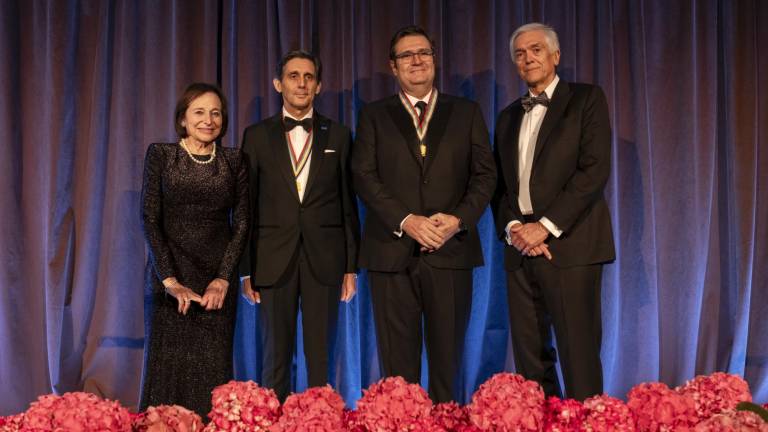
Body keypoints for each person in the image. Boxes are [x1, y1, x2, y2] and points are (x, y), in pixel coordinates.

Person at [351, 26, 496, 403]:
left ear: (434, 59)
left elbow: (486, 175)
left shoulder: (466, 112)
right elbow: (363, 175)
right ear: (393, 67)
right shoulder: (374, 115)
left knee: (448, 362)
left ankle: (447, 421)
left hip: (451, 253)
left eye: (424, 53)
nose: (416, 60)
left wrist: (458, 220)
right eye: (406, 55)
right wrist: (406, 221)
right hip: (392, 253)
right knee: (398, 371)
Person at [492, 22, 615, 400]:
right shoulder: (508, 115)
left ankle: (588, 423)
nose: (527, 58)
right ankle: (542, 421)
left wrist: (544, 227)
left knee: (578, 353)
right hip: (520, 248)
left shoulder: (586, 99)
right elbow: (499, 184)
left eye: (536, 50)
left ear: (555, 56)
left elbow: (593, 171)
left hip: (570, 243)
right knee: (531, 358)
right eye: (519, 53)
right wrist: (516, 228)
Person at [239, 50, 359, 401]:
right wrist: (246, 270)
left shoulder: (338, 135)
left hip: (326, 259)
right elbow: (246, 205)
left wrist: (351, 266)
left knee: (321, 355)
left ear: (319, 86)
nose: (301, 83)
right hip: (272, 259)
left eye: (309, 77)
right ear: (279, 84)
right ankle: (274, 421)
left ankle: (320, 420)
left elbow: (347, 204)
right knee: (275, 357)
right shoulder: (256, 136)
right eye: (293, 76)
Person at [139, 83, 249, 416]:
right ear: (183, 120)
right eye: (199, 112)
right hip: (169, 278)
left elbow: (242, 224)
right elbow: (149, 218)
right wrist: (169, 280)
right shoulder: (161, 154)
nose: (208, 119)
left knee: (212, 372)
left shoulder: (234, 160)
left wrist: (223, 279)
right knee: (166, 373)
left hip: (217, 282)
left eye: (215, 112)